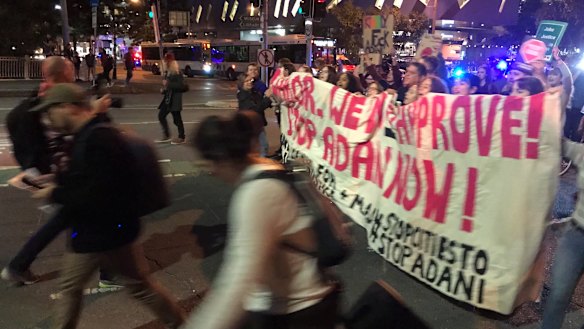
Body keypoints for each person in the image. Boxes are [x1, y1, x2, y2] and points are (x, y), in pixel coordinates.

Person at [28, 83, 186, 329]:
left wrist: (56, 192)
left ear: (67, 107)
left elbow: (98, 190)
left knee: (135, 287)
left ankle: (179, 322)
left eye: (50, 111)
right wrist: (55, 181)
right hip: (101, 231)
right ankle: (178, 322)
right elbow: (87, 179)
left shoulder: (98, 139)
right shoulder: (85, 137)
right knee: (78, 288)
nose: (48, 118)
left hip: (105, 233)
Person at [184, 111, 339, 329]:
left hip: (297, 311)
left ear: (221, 158)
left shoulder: (257, 193)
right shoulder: (266, 170)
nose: (209, 172)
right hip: (293, 302)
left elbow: (239, 278)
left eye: (207, 164)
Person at [2, 57, 119, 288]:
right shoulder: (58, 100)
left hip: (48, 173)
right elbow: (74, 132)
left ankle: (19, 266)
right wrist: (96, 113)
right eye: (71, 71)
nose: (74, 75)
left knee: (69, 218)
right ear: (62, 74)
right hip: (61, 173)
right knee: (98, 214)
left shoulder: (37, 97)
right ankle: (106, 274)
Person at [236, 74, 272, 157]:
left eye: (251, 80)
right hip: (250, 124)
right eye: (247, 81)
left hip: (257, 123)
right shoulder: (243, 95)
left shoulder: (254, 92)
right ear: (242, 83)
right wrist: (267, 98)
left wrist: (269, 100)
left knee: (260, 146)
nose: (250, 82)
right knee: (263, 146)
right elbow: (255, 109)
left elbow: (261, 104)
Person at [156, 53, 186, 145]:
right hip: (168, 98)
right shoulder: (168, 72)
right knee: (161, 115)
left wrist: (168, 84)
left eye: (167, 61)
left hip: (175, 99)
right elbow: (169, 87)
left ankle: (181, 136)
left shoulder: (177, 72)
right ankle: (167, 135)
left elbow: (181, 86)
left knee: (177, 119)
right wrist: (164, 90)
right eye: (165, 61)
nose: (166, 63)